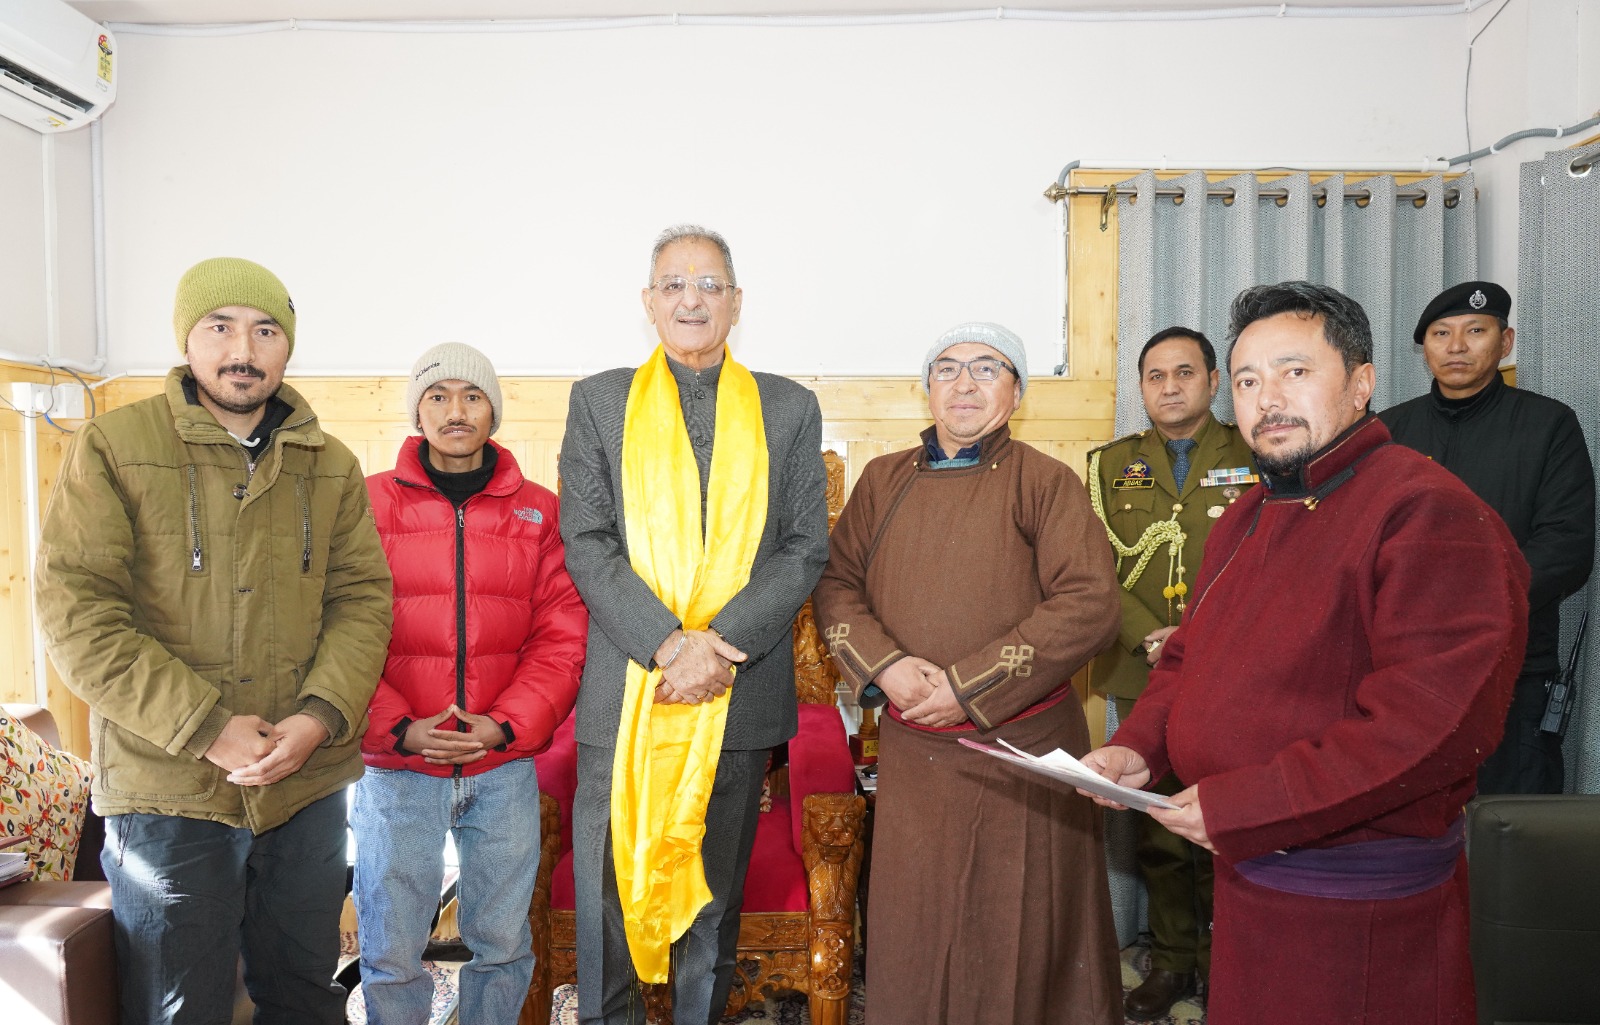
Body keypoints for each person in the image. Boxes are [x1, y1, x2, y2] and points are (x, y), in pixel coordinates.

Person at [1082, 281, 1530, 1025]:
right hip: (1255, 878)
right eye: (1251, 379)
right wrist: (1137, 749)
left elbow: (1427, 731)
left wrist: (1244, 802)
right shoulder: (1252, 512)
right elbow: (1190, 657)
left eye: (1294, 371)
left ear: (1361, 382)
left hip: (1358, 911)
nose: (1268, 397)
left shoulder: (1427, 511)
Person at [34, 257, 394, 1024]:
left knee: (303, 992)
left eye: (265, 330)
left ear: (286, 347)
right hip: (167, 790)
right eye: (220, 327)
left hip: (305, 784)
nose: (244, 347)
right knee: (179, 1004)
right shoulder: (114, 445)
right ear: (187, 342)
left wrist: (318, 717)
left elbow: (362, 600)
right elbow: (78, 613)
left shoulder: (330, 465)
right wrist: (205, 728)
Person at [814, 322, 1124, 1025]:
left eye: (986, 369)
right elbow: (836, 586)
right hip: (915, 753)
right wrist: (886, 667)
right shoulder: (882, 479)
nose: (963, 383)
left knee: (1020, 934)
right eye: (947, 369)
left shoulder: (1047, 482)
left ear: (1015, 393)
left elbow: (1090, 604)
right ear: (927, 389)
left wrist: (967, 686)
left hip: (1022, 755)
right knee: (919, 931)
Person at [558, 225, 829, 1025]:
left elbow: (803, 544)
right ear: (648, 303)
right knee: (606, 903)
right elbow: (587, 538)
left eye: (710, 285)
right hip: (627, 688)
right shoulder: (599, 401)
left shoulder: (789, 407)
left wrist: (716, 647)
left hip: (738, 694)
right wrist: (672, 643)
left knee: (712, 901)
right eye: (674, 284)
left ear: (737, 304)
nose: (691, 299)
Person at [354, 343, 588, 1023]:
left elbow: (562, 633)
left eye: (471, 396)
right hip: (398, 767)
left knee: (505, 944)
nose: (455, 410)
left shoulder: (540, 511)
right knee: (392, 949)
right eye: (437, 395)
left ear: (493, 410)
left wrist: (503, 724)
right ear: (417, 410)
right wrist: (398, 727)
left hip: (504, 765)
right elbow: (342, 628)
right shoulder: (367, 504)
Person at [1086, 326, 1256, 1019]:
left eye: (1185, 372)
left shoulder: (1257, 451)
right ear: (1142, 387)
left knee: (1227, 820)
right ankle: (1174, 961)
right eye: (1155, 376)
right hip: (1142, 668)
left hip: (1236, 667)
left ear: (1214, 381)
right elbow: (1094, 565)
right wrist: (1152, 637)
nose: (1170, 386)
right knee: (1157, 827)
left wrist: (1195, 635)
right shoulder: (1109, 464)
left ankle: (1229, 962)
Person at [1378, 281, 1595, 794]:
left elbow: (1566, 547)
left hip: (1512, 671)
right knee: (1416, 834)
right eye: (1441, 333)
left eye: (1476, 331)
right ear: (1424, 347)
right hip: (1403, 673)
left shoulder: (1549, 425)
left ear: (1506, 341)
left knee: (1511, 837)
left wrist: (1469, 605)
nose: (1457, 346)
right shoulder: (1389, 432)